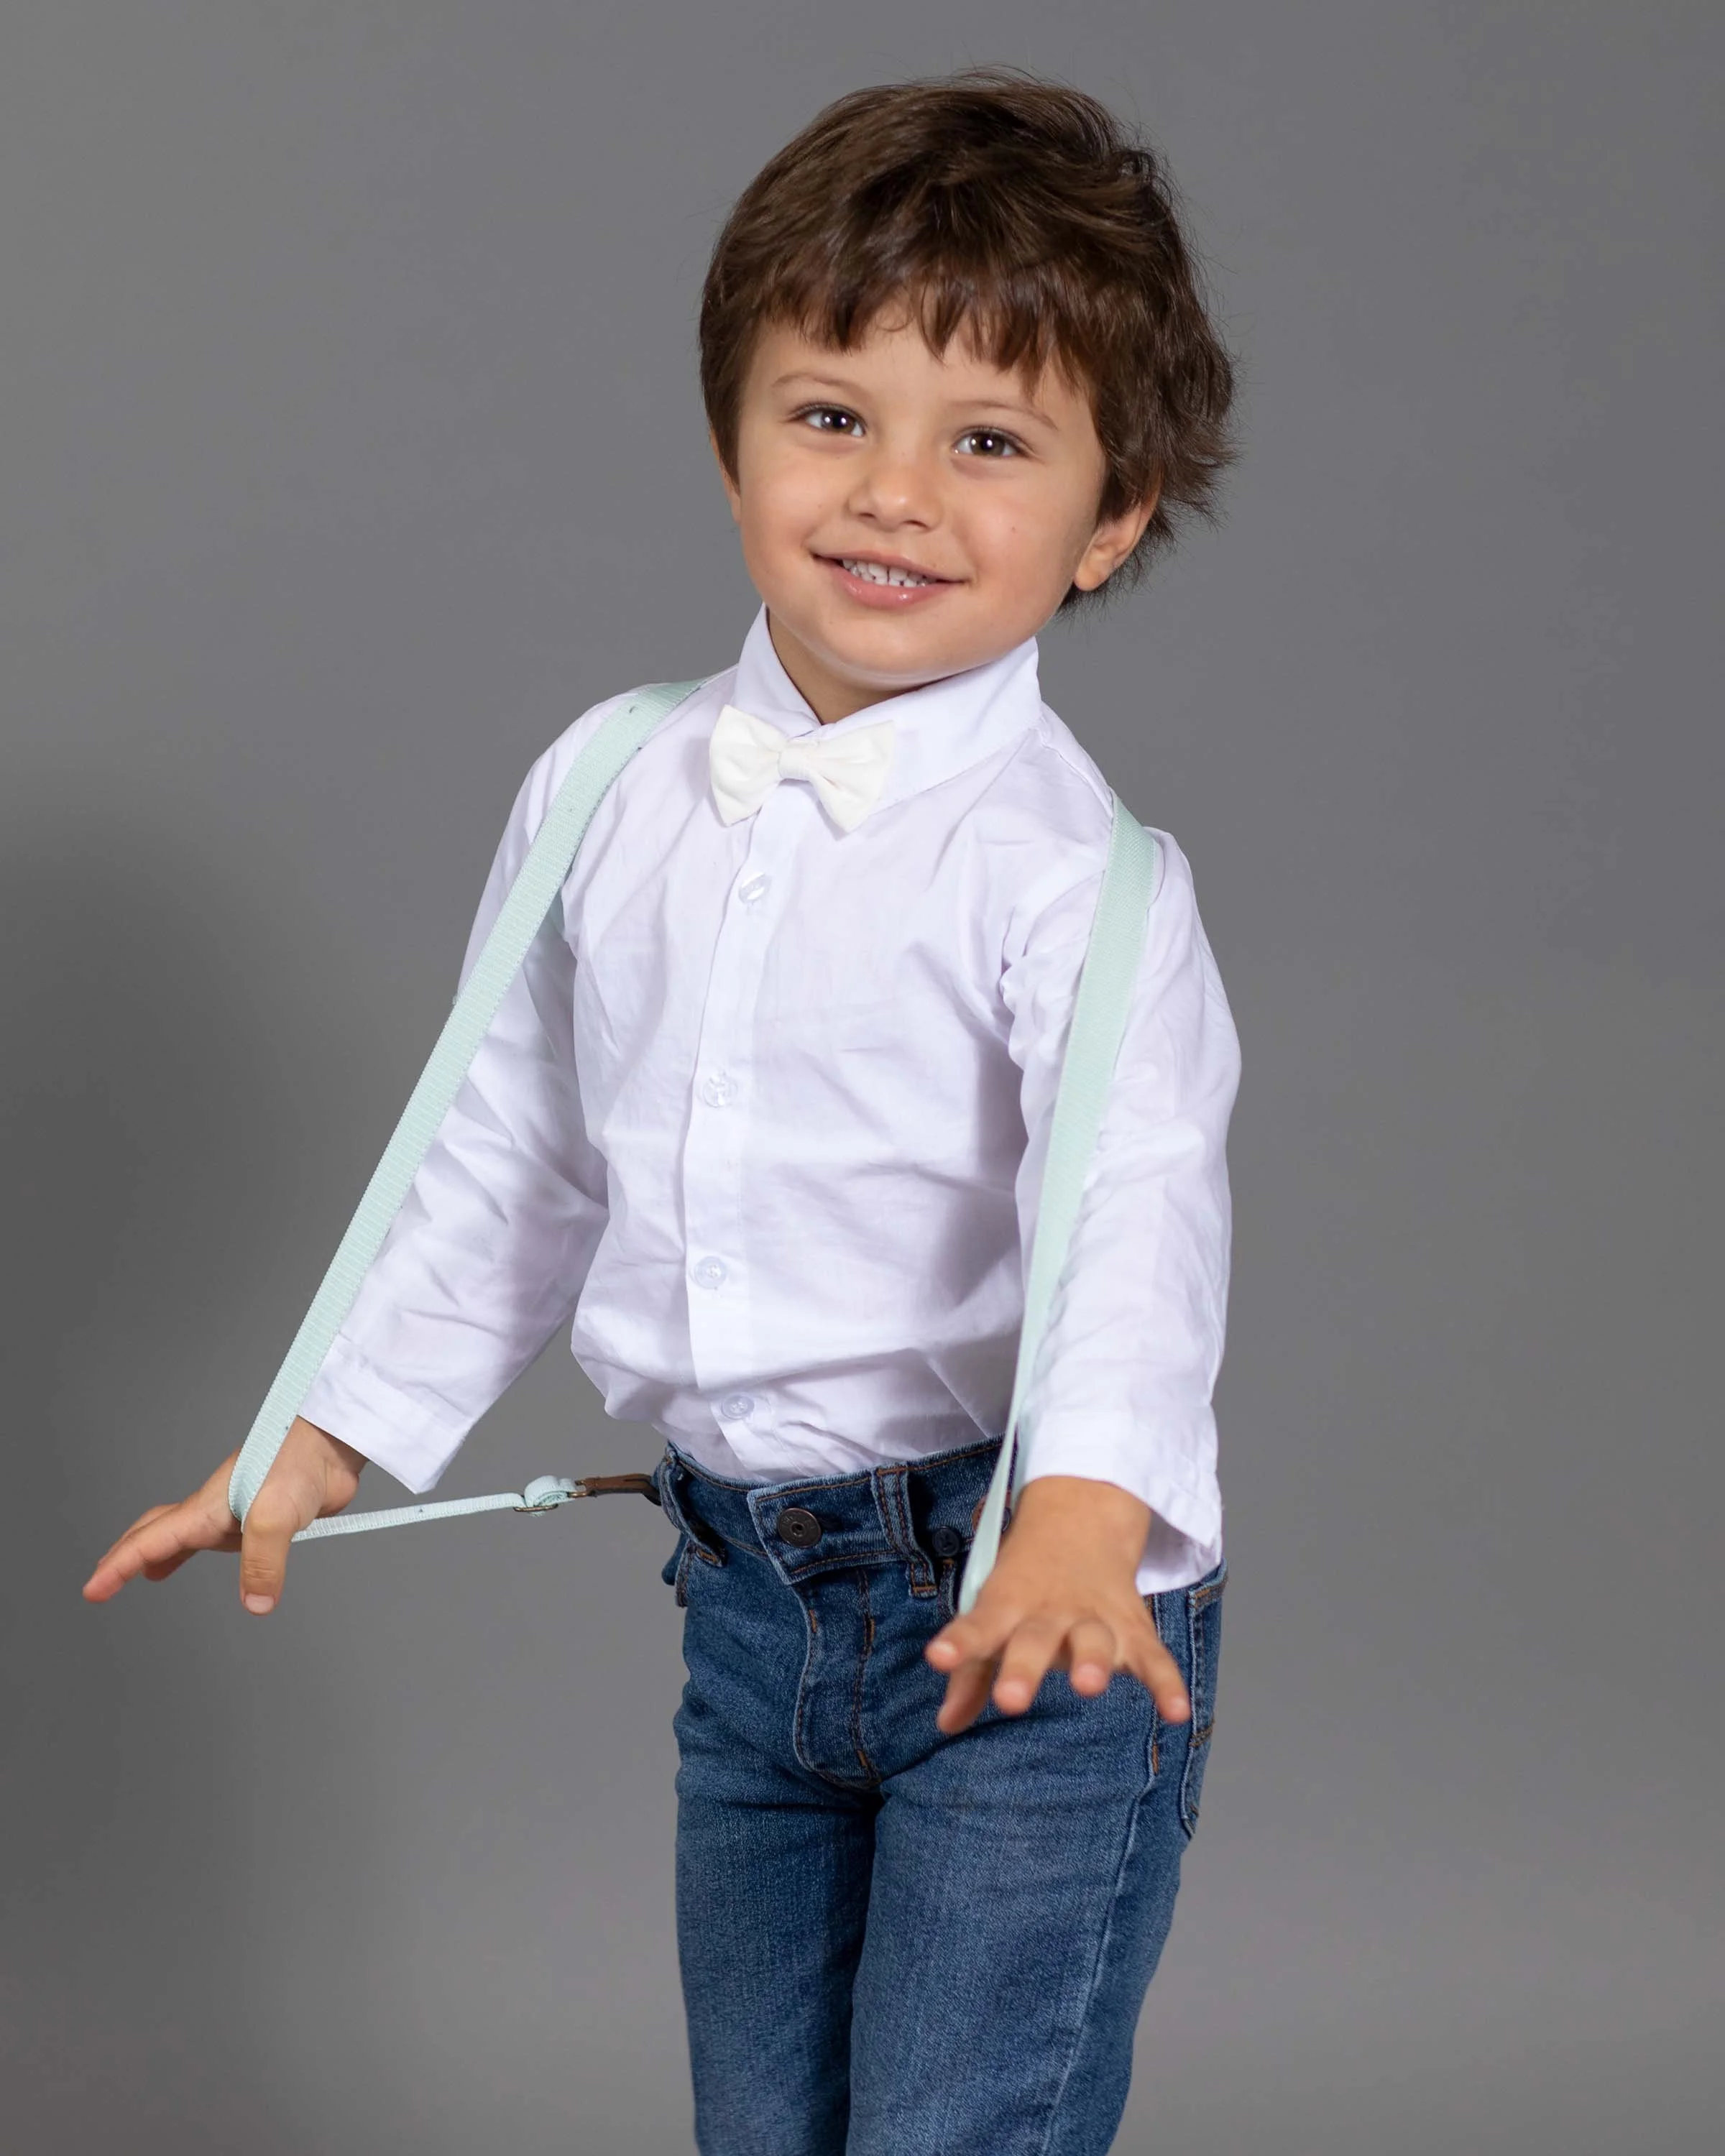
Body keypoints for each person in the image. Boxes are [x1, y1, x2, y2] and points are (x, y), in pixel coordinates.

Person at [83, 65, 1244, 2155]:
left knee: (958, 2125)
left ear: (1113, 521)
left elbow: (1137, 1225)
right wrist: (322, 1430)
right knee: (769, 2124)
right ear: (731, 441)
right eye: (832, 417)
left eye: (989, 444)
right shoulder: (608, 781)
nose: (896, 493)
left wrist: (1085, 1520)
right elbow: (512, 1140)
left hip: (1020, 1602)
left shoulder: (1081, 882)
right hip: (753, 1608)